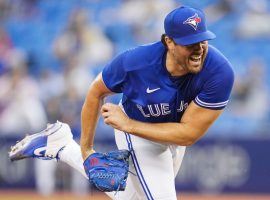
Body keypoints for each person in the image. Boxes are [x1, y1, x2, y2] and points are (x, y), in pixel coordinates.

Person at [9, 6, 234, 200]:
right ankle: (64, 146)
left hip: (157, 131)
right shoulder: (135, 62)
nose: (199, 48)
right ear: (169, 42)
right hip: (137, 131)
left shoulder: (219, 72)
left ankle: (62, 146)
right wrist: (87, 150)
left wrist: (127, 125)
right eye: (190, 43)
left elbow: (188, 134)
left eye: (202, 40)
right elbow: (96, 91)